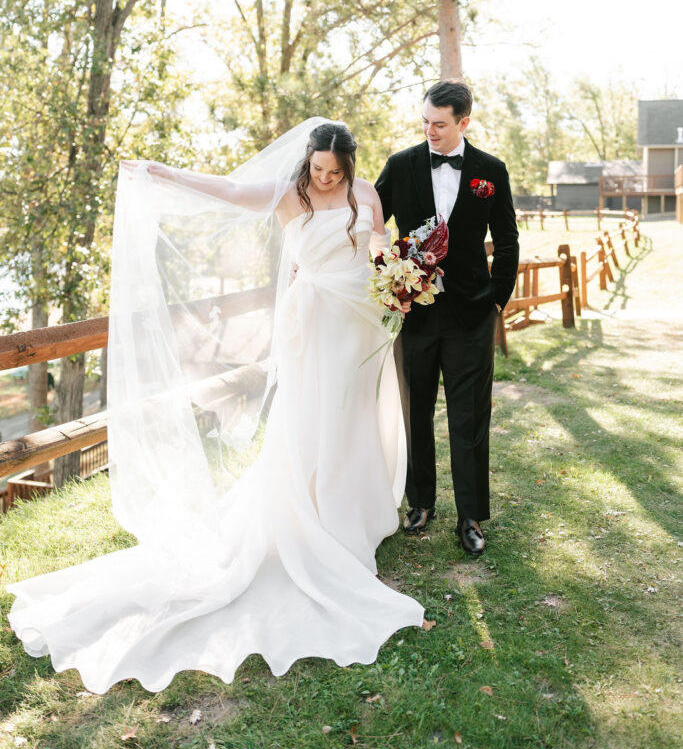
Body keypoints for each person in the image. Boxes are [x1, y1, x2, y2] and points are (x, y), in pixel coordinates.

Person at [8, 120, 424, 694]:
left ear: (351, 166)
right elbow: (229, 192)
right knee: (312, 419)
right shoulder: (288, 193)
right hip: (313, 322)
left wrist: (397, 271)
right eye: (319, 169)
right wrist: (160, 173)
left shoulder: (366, 194)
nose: (326, 179)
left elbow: (377, 242)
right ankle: (315, 520)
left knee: (352, 416)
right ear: (307, 162)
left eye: (336, 171)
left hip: (358, 318)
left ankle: (354, 513)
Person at [375, 81, 519, 555]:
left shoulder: (490, 171)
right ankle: (420, 502)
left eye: (439, 124)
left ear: (464, 122)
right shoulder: (400, 166)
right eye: (425, 122)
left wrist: (496, 299)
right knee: (415, 408)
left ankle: (471, 515)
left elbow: (508, 239)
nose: (429, 131)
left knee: (469, 416)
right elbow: (367, 222)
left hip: (471, 315)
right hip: (414, 315)